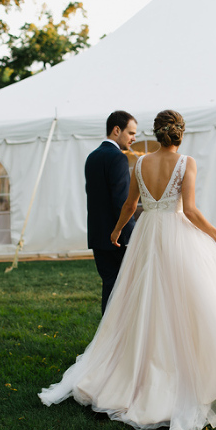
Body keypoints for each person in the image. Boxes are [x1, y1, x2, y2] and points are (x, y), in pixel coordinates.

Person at [39, 110, 216, 430]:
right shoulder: (187, 163)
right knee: (187, 300)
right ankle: (192, 371)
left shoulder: (139, 163)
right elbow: (189, 210)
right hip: (177, 236)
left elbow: (130, 205)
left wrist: (116, 230)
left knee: (143, 300)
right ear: (180, 133)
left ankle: (135, 368)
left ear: (156, 132)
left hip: (146, 236)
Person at [84, 110, 138, 315]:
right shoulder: (117, 158)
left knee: (109, 285)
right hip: (117, 238)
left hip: (97, 235)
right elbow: (122, 202)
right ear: (117, 130)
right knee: (124, 288)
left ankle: (107, 331)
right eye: (131, 133)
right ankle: (118, 332)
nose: (133, 138)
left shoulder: (92, 157)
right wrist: (131, 235)